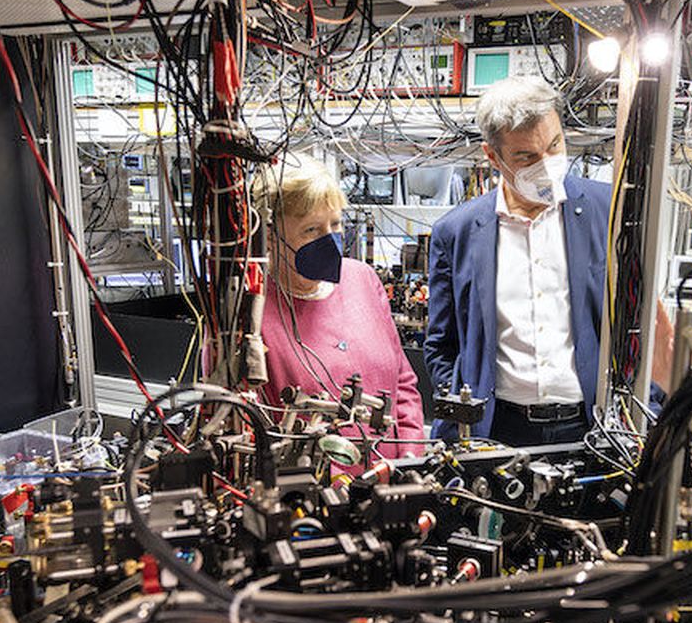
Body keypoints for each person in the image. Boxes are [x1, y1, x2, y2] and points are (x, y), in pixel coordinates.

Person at [424, 77, 610, 445]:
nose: (547, 164)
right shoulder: (455, 232)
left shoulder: (608, 210)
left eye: (555, 145)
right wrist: (462, 408)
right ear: (492, 157)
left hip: (588, 426)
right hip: (496, 429)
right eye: (526, 157)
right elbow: (440, 344)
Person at [253, 154, 425, 458]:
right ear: (269, 237)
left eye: (335, 225)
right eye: (312, 230)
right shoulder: (251, 313)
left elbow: (403, 383)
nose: (330, 240)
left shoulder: (362, 279)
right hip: (312, 495)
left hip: (392, 482)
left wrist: (411, 461)